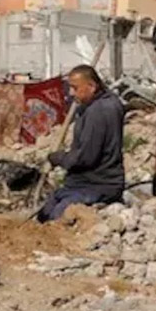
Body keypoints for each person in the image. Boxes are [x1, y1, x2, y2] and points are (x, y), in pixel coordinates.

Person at [37, 65, 125, 222]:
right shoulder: (101, 104)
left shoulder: (98, 111)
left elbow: (85, 157)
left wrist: (59, 158)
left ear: (91, 86)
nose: (71, 93)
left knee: (55, 218)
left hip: (97, 185)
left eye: (75, 88)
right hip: (85, 183)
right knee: (44, 212)